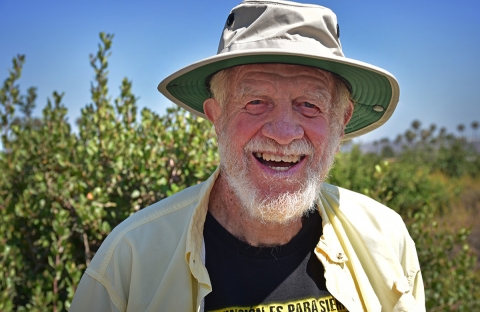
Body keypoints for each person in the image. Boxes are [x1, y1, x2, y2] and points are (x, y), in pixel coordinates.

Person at [70, 1, 425, 311]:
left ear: (340, 121)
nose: (284, 133)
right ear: (216, 115)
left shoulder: (385, 239)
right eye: (256, 102)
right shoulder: (131, 258)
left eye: (309, 105)